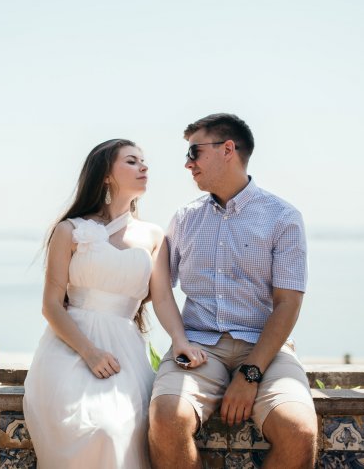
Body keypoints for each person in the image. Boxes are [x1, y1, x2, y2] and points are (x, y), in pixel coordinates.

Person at [23, 138, 207, 468]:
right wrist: (90, 352)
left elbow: (163, 298)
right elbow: (51, 305)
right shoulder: (70, 230)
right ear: (106, 174)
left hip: (125, 353)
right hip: (70, 347)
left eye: (143, 161)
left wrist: (181, 341)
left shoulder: (153, 236)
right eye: (131, 161)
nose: (143, 167)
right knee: (94, 429)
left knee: (119, 428)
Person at [147, 114, 318, 469]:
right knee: (166, 417)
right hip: (198, 345)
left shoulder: (283, 217)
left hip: (266, 348)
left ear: (227, 149)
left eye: (194, 152)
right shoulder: (184, 219)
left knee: (299, 430)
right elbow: (157, 288)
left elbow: (287, 304)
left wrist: (251, 373)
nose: (188, 163)